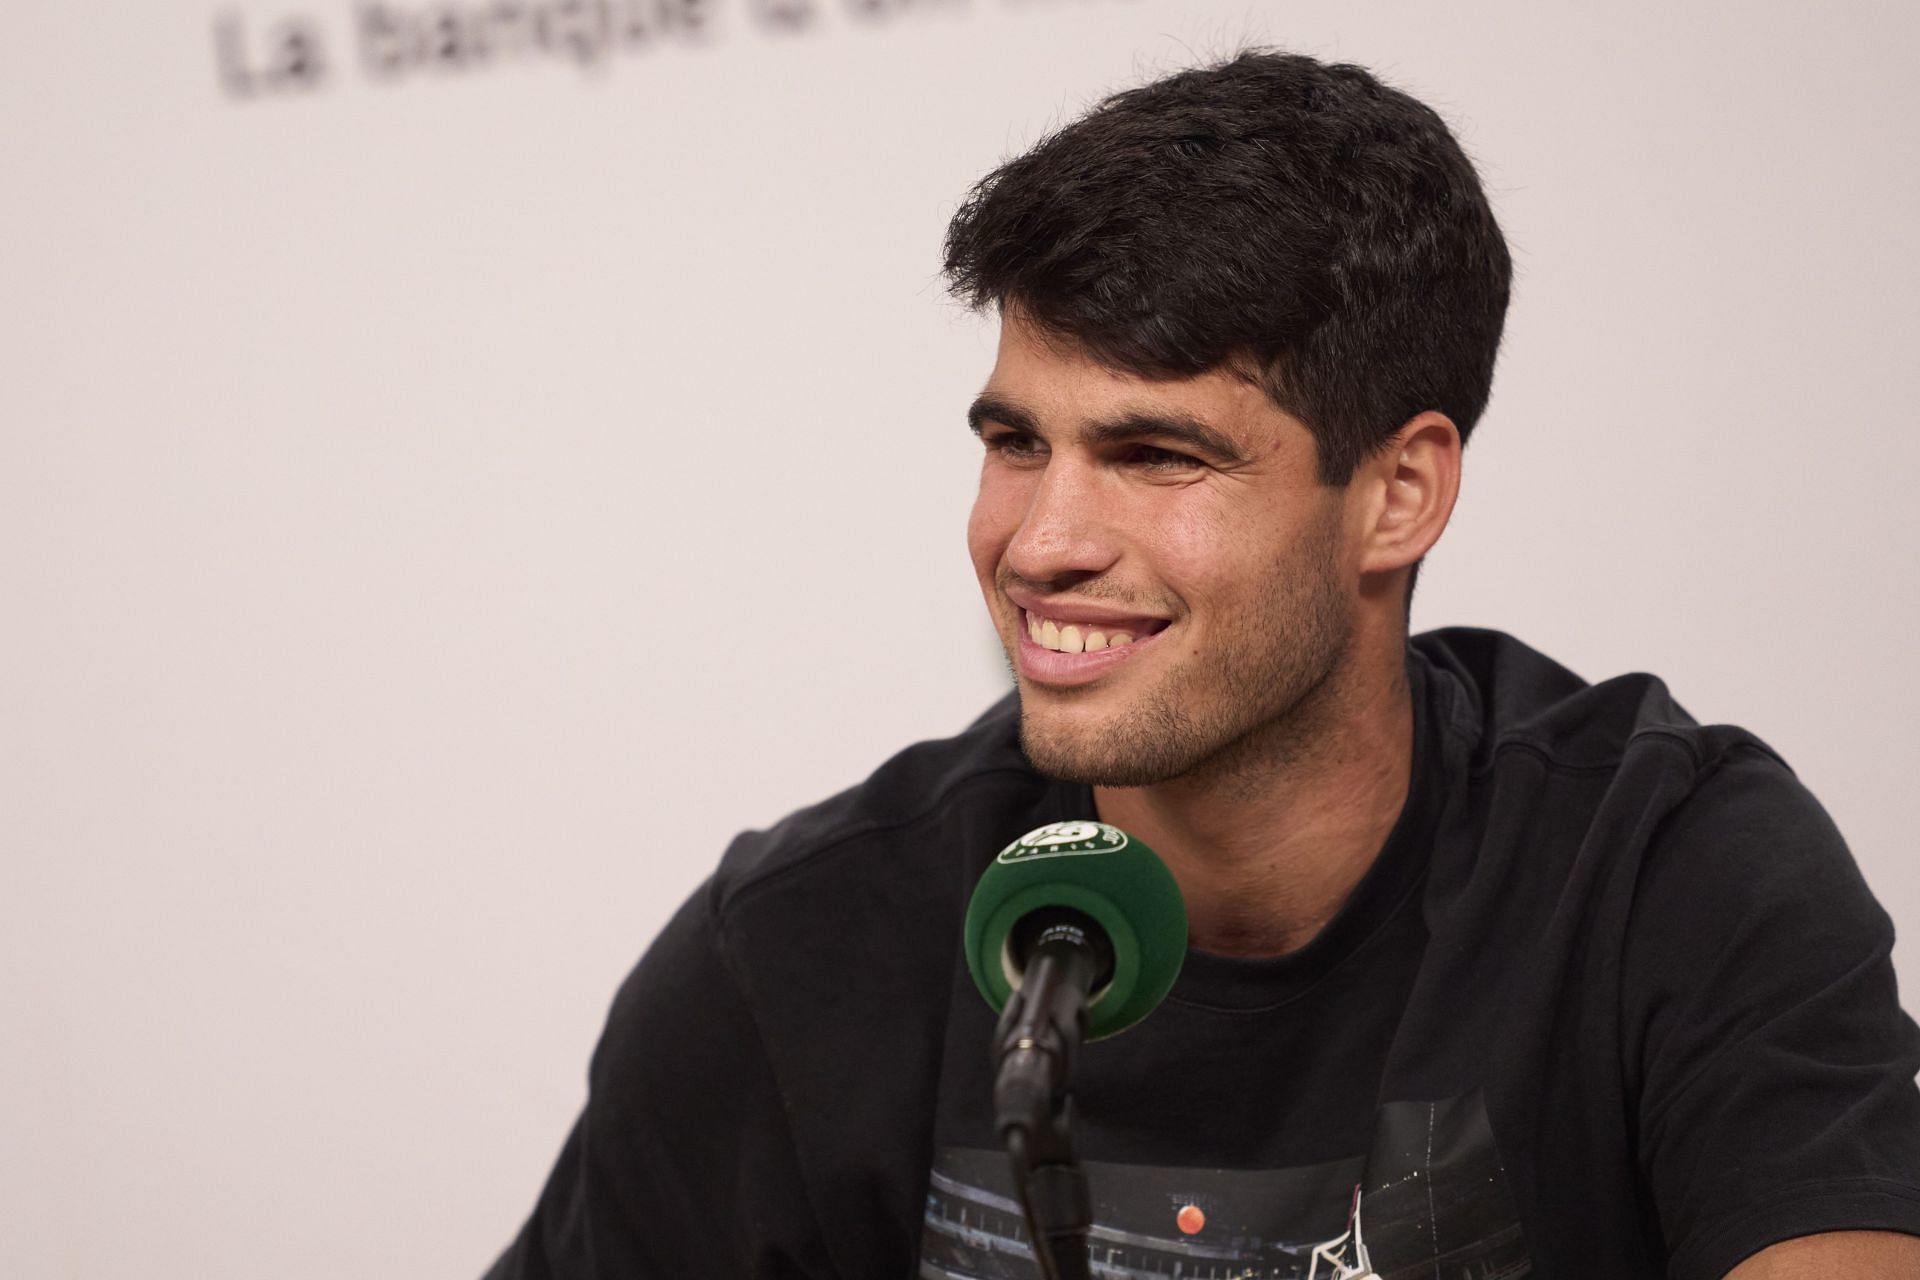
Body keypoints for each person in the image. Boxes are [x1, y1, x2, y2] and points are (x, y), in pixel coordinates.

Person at [484, 50, 1920, 1279]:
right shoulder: (795, 952)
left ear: (1398, 495)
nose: (1041, 542)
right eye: (1015, 443)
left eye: (1155, 455)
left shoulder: (1665, 873)